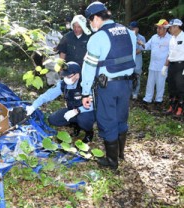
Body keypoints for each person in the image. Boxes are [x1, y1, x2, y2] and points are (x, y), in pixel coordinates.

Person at [81, 2, 136, 169]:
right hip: (127, 84)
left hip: (108, 87)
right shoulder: (129, 32)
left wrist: (85, 92)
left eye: (90, 21)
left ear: (96, 18)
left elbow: (89, 68)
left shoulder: (97, 38)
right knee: (121, 118)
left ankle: (112, 162)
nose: (91, 25)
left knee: (107, 120)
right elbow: (131, 59)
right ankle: (120, 154)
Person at [26, 62, 95, 143]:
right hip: (72, 109)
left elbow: (93, 104)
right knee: (53, 119)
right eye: (64, 76)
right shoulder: (63, 84)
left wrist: (77, 111)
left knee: (83, 119)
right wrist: (34, 106)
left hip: (86, 111)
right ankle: (76, 125)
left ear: (77, 74)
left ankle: (89, 132)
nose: (66, 78)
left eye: (68, 76)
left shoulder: (86, 84)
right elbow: (48, 95)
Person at [138, 19, 171, 108]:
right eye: (157, 28)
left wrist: (166, 65)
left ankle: (158, 101)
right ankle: (147, 99)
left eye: (160, 28)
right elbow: (147, 46)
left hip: (163, 66)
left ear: (165, 29)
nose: (158, 30)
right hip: (152, 65)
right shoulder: (154, 37)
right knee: (150, 83)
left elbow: (171, 53)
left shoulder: (170, 39)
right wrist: (141, 44)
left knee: (160, 83)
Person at [162, 19, 184, 116]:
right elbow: (169, 54)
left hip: (181, 65)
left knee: (180, 88)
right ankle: (172, 107)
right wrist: (165, 66)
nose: (169, 29)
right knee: (171, 87)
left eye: (170, 27)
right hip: (172, 65)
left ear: (177, 27)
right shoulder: (172, 38)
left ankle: (180, 108)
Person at [129, 21, 146, 100]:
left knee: (137, 78)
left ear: (137, 29)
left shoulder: (141, 38)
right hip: (129, 62)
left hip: (137, 62)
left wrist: (131, 53)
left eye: (134, 28)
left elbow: (141, 49)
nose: (132, 30)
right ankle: (129, 92)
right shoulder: (128, 36)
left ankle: (135, 93)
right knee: (128, 77)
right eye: (131, 28)